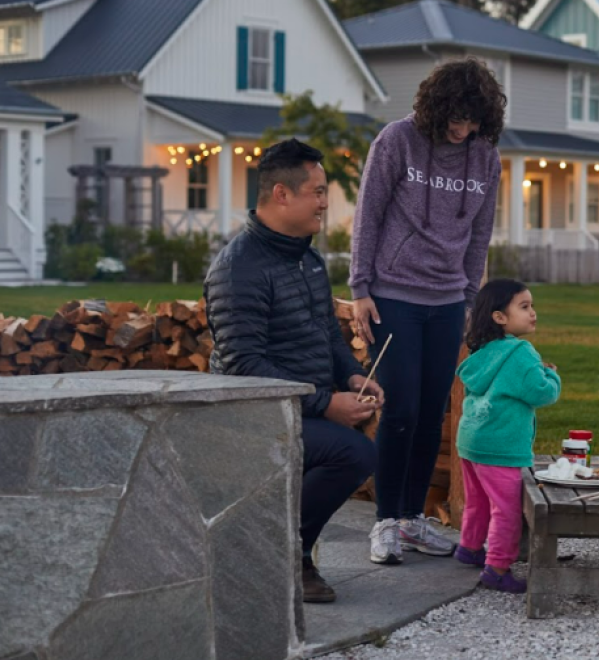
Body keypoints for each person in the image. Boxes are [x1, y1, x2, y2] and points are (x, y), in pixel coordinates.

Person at [204, 139, 383, 604]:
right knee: (353, 454)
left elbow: (327, 333)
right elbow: (244, 367)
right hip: (253, 416)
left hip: (297, 406)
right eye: (318, 191)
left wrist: (350, 377)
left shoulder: (307, 258)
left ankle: (281, 551)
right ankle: (283, 553)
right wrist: (325, 404)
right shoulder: (237, 268)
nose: (326, 201)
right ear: (282, 194)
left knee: (360, 446)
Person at [348, 58, 506, 564]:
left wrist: (468, 299)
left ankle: (414, 518)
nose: (462, 130)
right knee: (401, 410)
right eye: (455, 119)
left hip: (446, 301)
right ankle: (385, 522)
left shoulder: (486, 159)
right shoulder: (397, 141)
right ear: (436, 110)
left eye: (472, 120)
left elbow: (479, 236)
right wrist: (359, 286)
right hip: (392, 295)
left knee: (433, 413)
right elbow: (368, 214)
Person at [452, 279, 561, 592]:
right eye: (524, 307)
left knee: (477, 501)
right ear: (499, 317)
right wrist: (551, 373)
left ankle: (470, 548)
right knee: (507, 509)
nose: (533, 313)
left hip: (472, 440)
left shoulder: (482, 351)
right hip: (501, 445)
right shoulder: (520, 352)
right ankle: (497, 567)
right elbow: (540, 393)